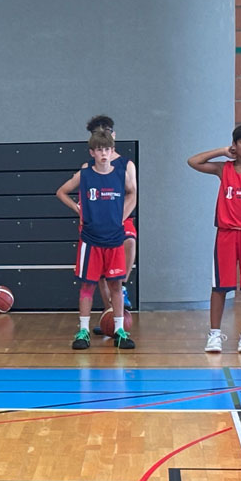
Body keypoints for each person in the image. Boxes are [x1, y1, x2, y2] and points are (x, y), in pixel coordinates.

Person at [187, 124, 241, 353]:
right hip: (226, 235)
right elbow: (193, 161)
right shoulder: (223, 169)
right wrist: (221, 151)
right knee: (220, 286)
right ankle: (214, 334)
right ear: (235, 145)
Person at [56, 130, 137, 350]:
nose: (104, 154)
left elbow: (132, 193)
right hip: (91, 240)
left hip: (114, 239)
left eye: (107, 149)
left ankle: (120, 330)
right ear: (92, 152)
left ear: (112, 151)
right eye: (99, 150)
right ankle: (83, 330)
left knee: (116, 286)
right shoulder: (85, 175)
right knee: (88, 286)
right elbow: (61, 192)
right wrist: (78, 209)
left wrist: (121, 216)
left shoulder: (121, 174)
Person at [84, 115, 138, 324]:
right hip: (97, 221)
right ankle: (109, 313)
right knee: (100, 269)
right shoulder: (89, 167)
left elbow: (132, 194)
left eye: (106, 132)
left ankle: (122, 286)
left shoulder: (126, 164)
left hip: (120, 217)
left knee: (129, 241)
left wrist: (117, 219)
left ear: (113, 135)